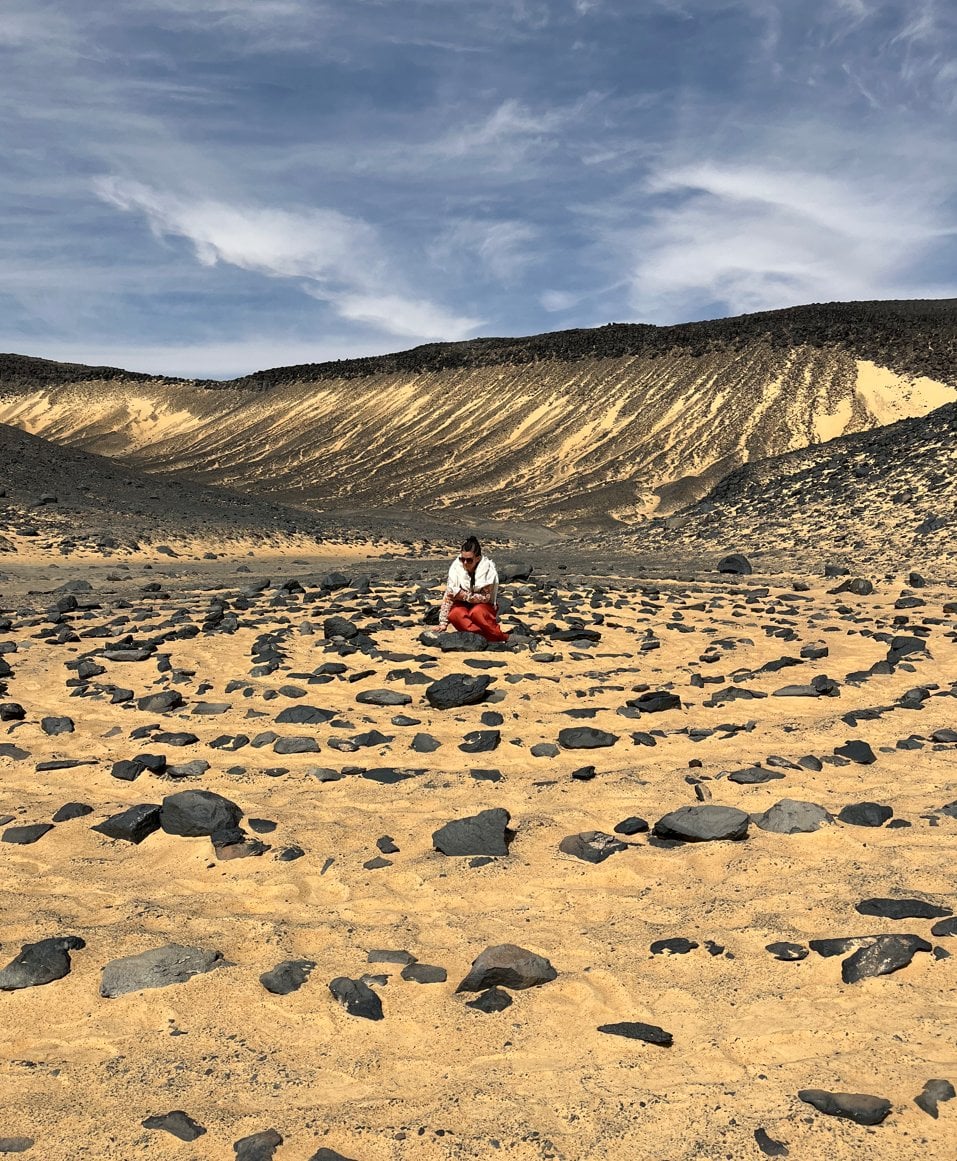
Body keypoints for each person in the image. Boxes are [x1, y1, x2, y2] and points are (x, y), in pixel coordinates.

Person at [437, 536, 509, 642]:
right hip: (463, 604)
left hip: (483, 605)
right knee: (455, 614)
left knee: (477, 612)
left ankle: (500, 636)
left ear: (478, 558)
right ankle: (481, 637)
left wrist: (465, 596)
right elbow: (449, 595)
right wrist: (443, 623)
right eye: (462, 559)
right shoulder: (456, 568)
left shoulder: (487, 571)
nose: (465, 563)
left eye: (469, 560)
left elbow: (485, 597)